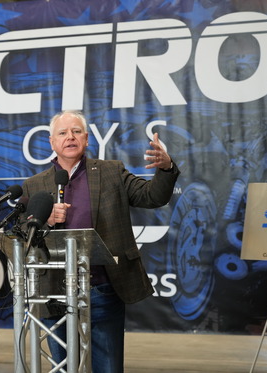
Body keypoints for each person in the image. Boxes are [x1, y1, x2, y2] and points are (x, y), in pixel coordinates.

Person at [21, 110, 180, 373]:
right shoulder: (34, 185)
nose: (69, 137)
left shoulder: (111, 172)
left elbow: (152, 197)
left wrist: (166, 168)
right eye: (62, 133)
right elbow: (21, 230)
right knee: (63, 367)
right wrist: (45, 220)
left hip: (102, 288)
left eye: (76, 131)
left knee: (108, 367)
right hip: (53, 292)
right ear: (51, 142)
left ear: (86, 138)